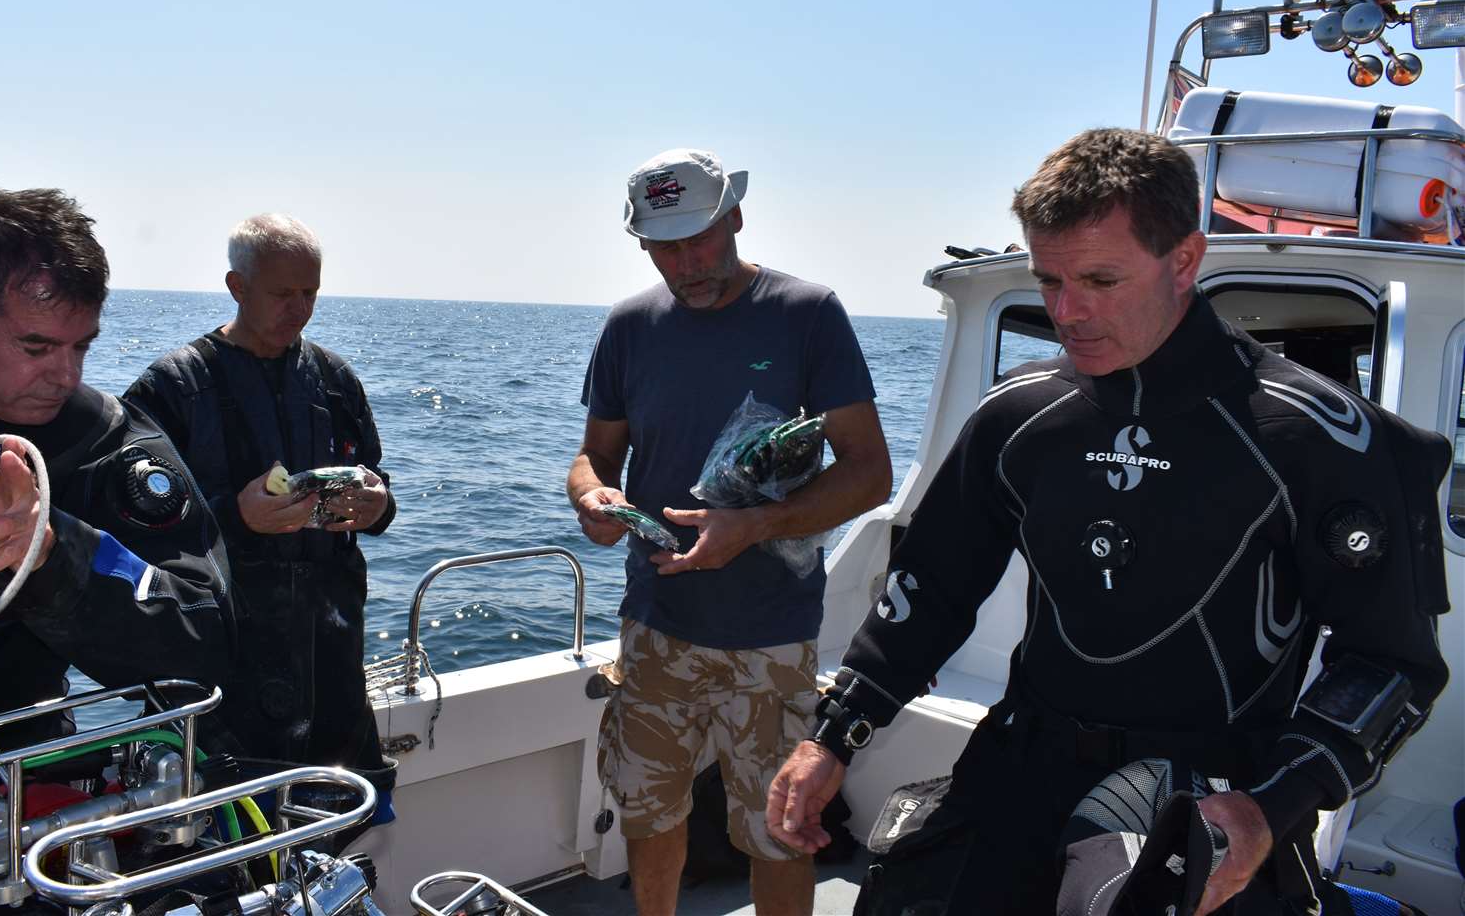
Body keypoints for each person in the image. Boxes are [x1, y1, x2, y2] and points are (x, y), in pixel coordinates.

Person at [767, 128, 1452, 916]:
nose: (1067, 312)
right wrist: (834, 734)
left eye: (1099, 279)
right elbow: (931, 588)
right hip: (1023, 766)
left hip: (1215, 798)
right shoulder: (1019, 416)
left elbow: (1390, 663)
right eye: (1048, 280)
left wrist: (1273, 804)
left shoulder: (1316, 437)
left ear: (1185, 259)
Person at [0, 187, 235, 832]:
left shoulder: (102, 446)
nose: (65, 375)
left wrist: (51, 553)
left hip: (0, 810)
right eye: (36, 347)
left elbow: (204, 637)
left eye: (81, 347)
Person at [568, 148, 893, 916]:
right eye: (665, 246)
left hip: (770, 636)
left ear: (735, 218)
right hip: (656, 626)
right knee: (650, 816)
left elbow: (869, 473)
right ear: (641, 245)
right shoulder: (628, 327)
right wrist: (590, 497)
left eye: (700, 239)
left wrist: (753, 525)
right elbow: (595, 453)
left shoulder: (807, 315)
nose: (687, 263)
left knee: (777, 829)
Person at [125, 213, 394, 772]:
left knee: (337, 810)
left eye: (310, 292)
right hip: (224, 659)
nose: (299, 309)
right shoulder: (170, 389)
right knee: (226, 827)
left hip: (330, 655)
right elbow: (126, 531)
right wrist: (233, 518)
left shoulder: (335, 379)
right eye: (282, 293)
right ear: (237, 287)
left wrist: (377, 505)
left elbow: (375, 477)